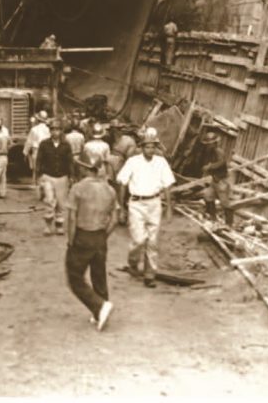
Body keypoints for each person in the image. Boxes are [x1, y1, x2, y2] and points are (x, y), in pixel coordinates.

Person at [66, 148, 119, 331]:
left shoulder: (78, 188)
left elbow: (72, 218)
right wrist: (103, 235)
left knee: (74, 278)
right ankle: (100, 313)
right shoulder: (109, 189)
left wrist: (71, 241)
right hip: (100, 236)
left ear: (84, 168)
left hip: (83, 234)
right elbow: (115, 219)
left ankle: (100, 306)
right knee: (99, 275)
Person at [117, 127, 175, 288]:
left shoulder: (161, 162)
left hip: (154, 203)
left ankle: (150, 274)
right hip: (136, 204)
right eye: (147, 147)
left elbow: (167, 185)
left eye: (153, 147)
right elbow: (122, 183)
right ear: (141, 147)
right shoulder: (133, 162)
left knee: (152, 241)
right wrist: (121, 207)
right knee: (138, 239)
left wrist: (169, 207)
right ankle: (133, 262)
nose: (150, 150)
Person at [36, 121, 73, 236]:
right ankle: (48, 225)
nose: (55, 132)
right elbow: (39, 160)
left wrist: (72, 176)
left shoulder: (66, 145)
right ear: (50, 131)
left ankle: (59, 225)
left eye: (57, 129)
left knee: (61, 203)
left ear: (61, 131)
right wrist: (38, 175)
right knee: (49, 200)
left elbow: (70, 162)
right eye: (53, 129)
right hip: (48, 176)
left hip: (62, 177)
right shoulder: (44, 144)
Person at [198, 131, 233, 227]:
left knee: (224, 202)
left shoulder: (219, 151)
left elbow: (222, 162)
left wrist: (210, 166)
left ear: (214, 143)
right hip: (213, 180)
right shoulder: (208, 153)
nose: (208, 146)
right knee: (208, 196)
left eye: (209, 144)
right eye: (207, 144)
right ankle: (213, 218)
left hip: (221, 180)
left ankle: (229, 223)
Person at [24, 110, 51, 185]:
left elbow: (29, 142)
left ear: (38, 120)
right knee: (45, 169)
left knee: (36, 169)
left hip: (36, 151)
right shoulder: (48, 130)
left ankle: (36, 183)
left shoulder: (34, 129)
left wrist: (25, 152)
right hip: (46, 152)